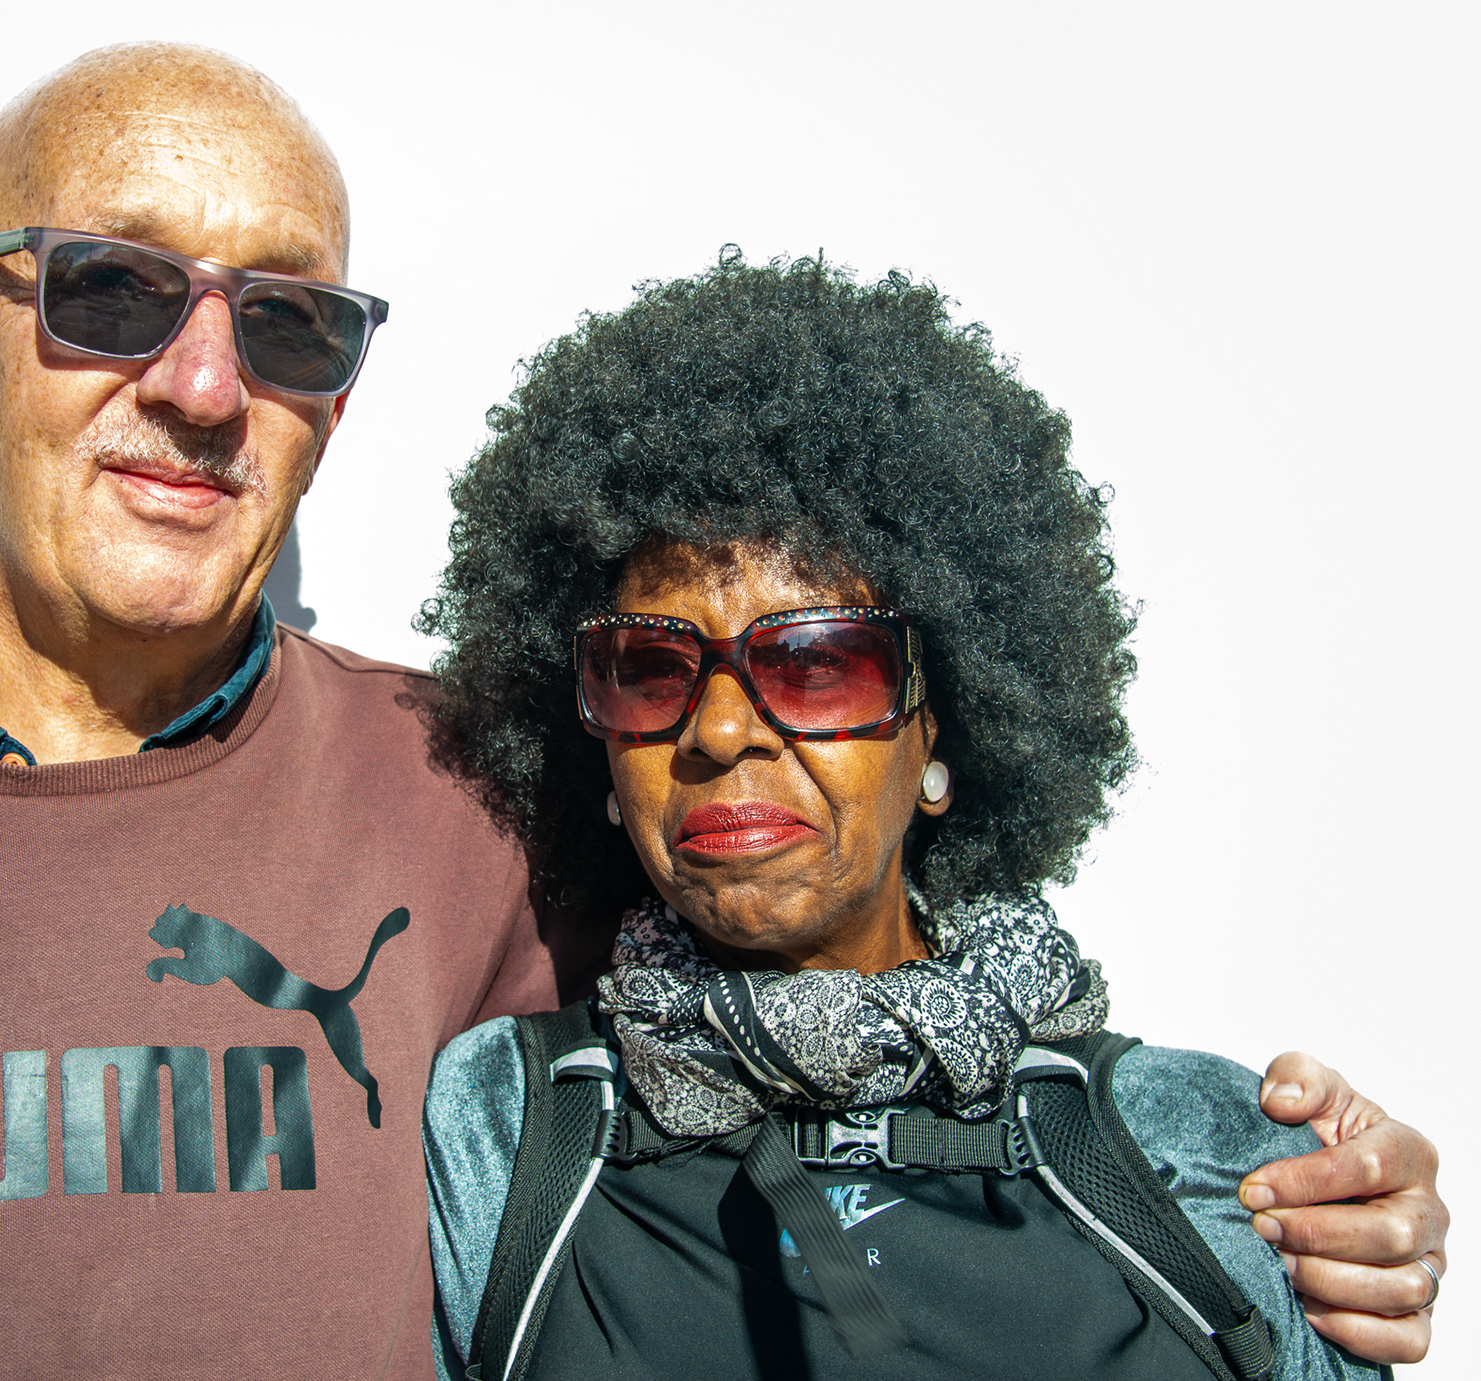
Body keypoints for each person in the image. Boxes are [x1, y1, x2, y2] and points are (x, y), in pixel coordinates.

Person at [0, 44, 1440, 1381]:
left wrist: (1335, 1189)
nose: (204, 383)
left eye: (289, 323)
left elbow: (842, 987)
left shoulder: (477, 802)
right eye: (111, 291)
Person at [419, 255, 1447, 1378]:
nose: (718, 732)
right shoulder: (508, 1130)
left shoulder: (1198, 1152)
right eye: (651, 669)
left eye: (815, 664)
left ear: (939, 731)